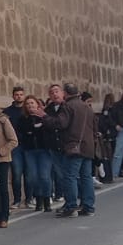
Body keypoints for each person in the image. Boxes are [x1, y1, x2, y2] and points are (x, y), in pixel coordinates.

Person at [46, 82, 97, 217]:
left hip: (74, 146)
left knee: (70, 177)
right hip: (88, 146)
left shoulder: (68, 106)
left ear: (66, 93)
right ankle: (88, 206)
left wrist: (45, 117)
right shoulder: (87, 106)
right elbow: (94, 126)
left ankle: (71, 206)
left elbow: (61, 123)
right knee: (86, 177)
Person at [16, 95, 56, 212]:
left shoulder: (44, 117)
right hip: (30, 150)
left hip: (44, 150)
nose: (30, 106)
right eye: (27, 104)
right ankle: (38, 199)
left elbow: (49, 129)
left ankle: (47, 200)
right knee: (33, 176)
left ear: (37, 104)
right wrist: (32, 129)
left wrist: (36, 128)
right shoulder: (23, 118)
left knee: (44, 176)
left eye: (32, 103)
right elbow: (23, 131)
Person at [2, 85, 29, 207]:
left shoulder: (28, 109)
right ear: (13, 96)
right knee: (16, 173)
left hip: (28, 145)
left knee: (29, 173)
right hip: (15, 146)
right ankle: (17, 199)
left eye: (21, 94)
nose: (19, 96)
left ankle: (29, 198)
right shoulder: (7, 112)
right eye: (17, 94)